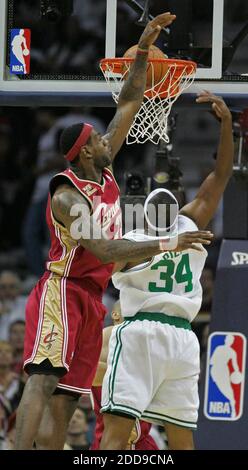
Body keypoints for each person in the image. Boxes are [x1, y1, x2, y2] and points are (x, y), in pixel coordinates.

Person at [15, 12, 212, 450]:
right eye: (101, 141)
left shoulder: (100, 169)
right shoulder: (68, 198)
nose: (110, 141)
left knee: (68, 399)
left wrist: (142, 48)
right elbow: (104, 250)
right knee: (43, 381)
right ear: (86, 151)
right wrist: (169, 243)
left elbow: (129, 102)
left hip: (91, 297)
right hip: (62, 290)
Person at [100, 92, 234, 450]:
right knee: (181, 439)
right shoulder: (191, 224)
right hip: (183, 340)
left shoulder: (130, 239)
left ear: (144, 214)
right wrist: (227, 126)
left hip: (141, 334)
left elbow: (103, 264)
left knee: (114, 433)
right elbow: (221, 175)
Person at [91, 300, 158, 450]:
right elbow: (92, 375)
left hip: (140, 440)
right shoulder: (103, 339)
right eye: (133, 313)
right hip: (106, 437)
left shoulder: (145, 342)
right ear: (116, 315)